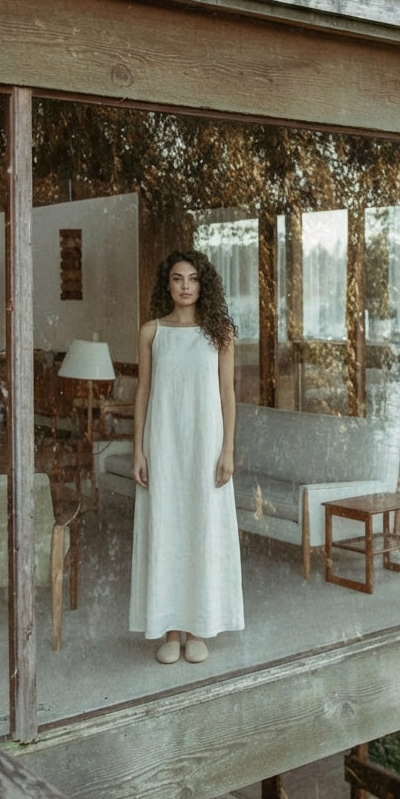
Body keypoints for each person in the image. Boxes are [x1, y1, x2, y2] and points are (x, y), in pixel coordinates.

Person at [129, 249, 244, 664]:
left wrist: (227, 448)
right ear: (168, 284)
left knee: (202, 529)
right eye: (177, 278)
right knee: (167, 528)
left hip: (205, 444)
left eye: (193, 279)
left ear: (203, 285)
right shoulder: (151, 332)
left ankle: (199, 627)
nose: (185, 286)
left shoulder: (221, 332)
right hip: (164, 444)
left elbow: (227, 394)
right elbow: (143, 391)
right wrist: (138, 448)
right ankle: (170, 629)